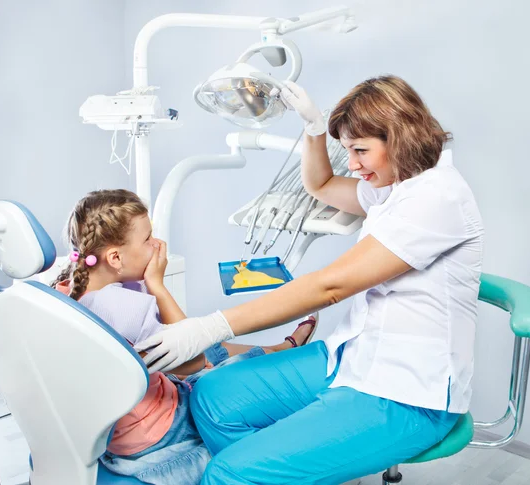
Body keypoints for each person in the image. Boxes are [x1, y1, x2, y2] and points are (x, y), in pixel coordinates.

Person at [135, 75, 484, 484]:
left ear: (399, 137)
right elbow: (320, 184)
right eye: (347, 150)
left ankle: (246, 475)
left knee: (229, 473)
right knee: (213, 398)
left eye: (360, 150)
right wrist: (314, 128)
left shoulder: (435, 197)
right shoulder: (397, 184)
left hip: (404, 393)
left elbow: (330, 286)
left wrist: (209, 327)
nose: (352, 164)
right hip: (352, 358)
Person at [52, 189, 317, 485]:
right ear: (115, 257)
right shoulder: (123, 309)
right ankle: (283, 351)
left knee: (209, 346)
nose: (158, 245)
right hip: (163, 428)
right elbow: (193, 360)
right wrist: (157, 284)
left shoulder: (65, 289)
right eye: (148, 239)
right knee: (221, 364)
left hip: (123, 429)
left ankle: (279, 348)